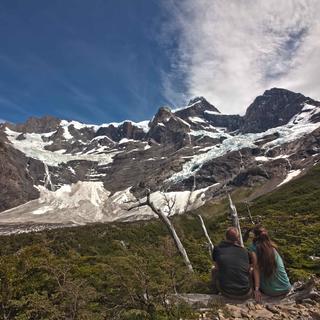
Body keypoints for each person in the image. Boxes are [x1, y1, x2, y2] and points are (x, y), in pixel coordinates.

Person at [248, 226, 291, 301]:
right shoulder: (273, 247)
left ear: (255, 236)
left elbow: (256, 268)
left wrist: (257, 289)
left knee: (251, 270)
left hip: (271, 292)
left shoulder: (254, 248)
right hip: (286, 287)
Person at [211, 227, 252, 299]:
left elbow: (217, 267)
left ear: (226, 236)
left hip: (226, 292)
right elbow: (248, 269)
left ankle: (215, 292)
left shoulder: (217, 249)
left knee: (213, 269)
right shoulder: (244, 251)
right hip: (245, 292)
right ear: (237, 238)